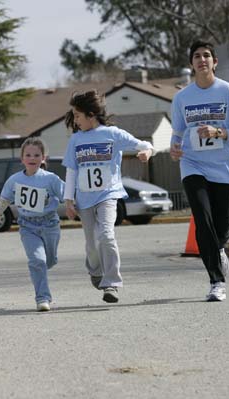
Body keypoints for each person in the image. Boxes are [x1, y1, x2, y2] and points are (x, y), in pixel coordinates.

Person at [62, 90, 156, 303]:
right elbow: (71, 171)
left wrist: (147, 153)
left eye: (78, 115)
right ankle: (95, 270)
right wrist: (68, 200)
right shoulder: (76, 140)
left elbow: (144, 144)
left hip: (108, 195)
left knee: (106, 235)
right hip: (84, 199)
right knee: (92, 245)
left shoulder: (113, 134)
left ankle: (112, 283)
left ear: (91, 114)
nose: (75, 120)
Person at [170, 39, 229, 301]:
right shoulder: (182, 97)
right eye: (197, 56)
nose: (202, 60)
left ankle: (219, 248)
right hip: (192, 164)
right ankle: (216, 281)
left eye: (206, 55)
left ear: (214, 62)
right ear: (191, 63)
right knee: (202, 218)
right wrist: (174, 148)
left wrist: (221, 132)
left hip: (223, 167)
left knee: (222, 224)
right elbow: (178, 131)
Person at [0, 137, 65, 311]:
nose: (32, 158)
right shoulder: (14, 180)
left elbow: (66, 195)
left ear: (43, 158)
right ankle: (42, 298)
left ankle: (48, 262)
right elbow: (5, 198)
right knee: (37, 260)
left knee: (49, 260)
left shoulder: (51, 179)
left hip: (50, 224)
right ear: (22, 158)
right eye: (28, 155)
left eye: (37, 155)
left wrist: (73, 205)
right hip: (28, 226)